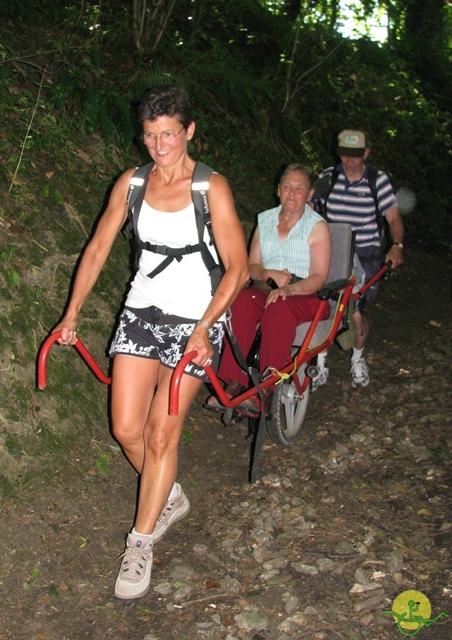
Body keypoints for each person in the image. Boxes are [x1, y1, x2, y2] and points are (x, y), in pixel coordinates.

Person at [53, 85, 248, 600]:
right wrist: (70, 313)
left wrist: (207, 325)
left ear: (189, 131)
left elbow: (238, 267)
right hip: (141, 313)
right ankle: (169, 493)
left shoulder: (211, 188)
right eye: (150, 135)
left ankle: (140, 543)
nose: (160, 145)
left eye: (169, 134)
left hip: (197, 322)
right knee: (125, 427)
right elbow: (96, 249)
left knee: (162, 436)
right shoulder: (132, 183)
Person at [208, 164, 331, 417]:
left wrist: (291, 288)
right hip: (266, 289)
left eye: (299, 188)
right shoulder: (264, 220)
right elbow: (252, 265)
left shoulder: (317, 226)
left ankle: (265, 387)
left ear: (309, 194)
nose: (292, 193)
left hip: (305, 294)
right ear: (278, 190)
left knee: (278, 308)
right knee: (241, 301)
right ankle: (234, 382)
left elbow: (319, 277)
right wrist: (266, 274)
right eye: (287, 186)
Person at [316, 130, 404, 388]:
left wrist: (397, 245)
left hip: (366, 252)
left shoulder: (378, 181)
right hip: (332, 248)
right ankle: (319, 363)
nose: (350, 161)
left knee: (355, 310)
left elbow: (394, 217)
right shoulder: (327, 177)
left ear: (366, 153)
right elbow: (307, 206)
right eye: (345, 155)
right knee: (323, 305)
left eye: (355, 156)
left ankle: (357, 359)